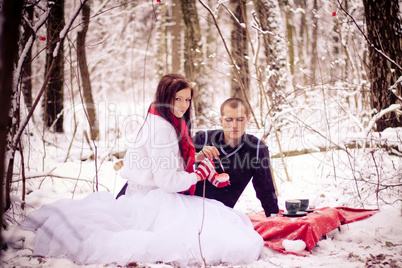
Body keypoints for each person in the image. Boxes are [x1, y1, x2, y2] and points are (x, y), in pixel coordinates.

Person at [22, 74, 263, 267]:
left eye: (187, 99)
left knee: (220, 219)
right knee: (218, 232)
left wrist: (198, 156)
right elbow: (168, 181)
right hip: (153, 198)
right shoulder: (163, 129)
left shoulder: (162, 118)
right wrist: (199, 173)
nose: (183, 105)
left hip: (151, 193)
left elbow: (167, 162)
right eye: (177, 99)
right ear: (165, 97)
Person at [189, 97, 279, 217]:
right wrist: (196, 156)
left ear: (248, 119)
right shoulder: (202, 139)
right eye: (229, 120)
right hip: (188, 208)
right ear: (221, 121)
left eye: (240, 120)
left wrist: (273, 217)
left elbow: (266, 190)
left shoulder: (256, 148)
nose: (234, 125)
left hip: (221, 215)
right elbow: (174, 162)